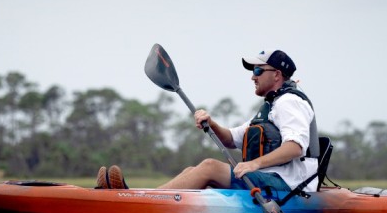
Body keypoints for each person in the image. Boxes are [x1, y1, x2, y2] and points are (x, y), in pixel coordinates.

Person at [96, 49, 319, 193]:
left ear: (277, 75)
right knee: (190, 170)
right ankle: (140, 195)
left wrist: (254, 164)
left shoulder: (290, 102)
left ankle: (140, 199)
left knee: (209, 167)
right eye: (253, 70)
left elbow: (295, 147)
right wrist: (211, 123)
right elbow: (232, 139)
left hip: (290, 185)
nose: (253, 76)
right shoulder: (271, 106)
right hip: (273, 178)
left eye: (258, 70)